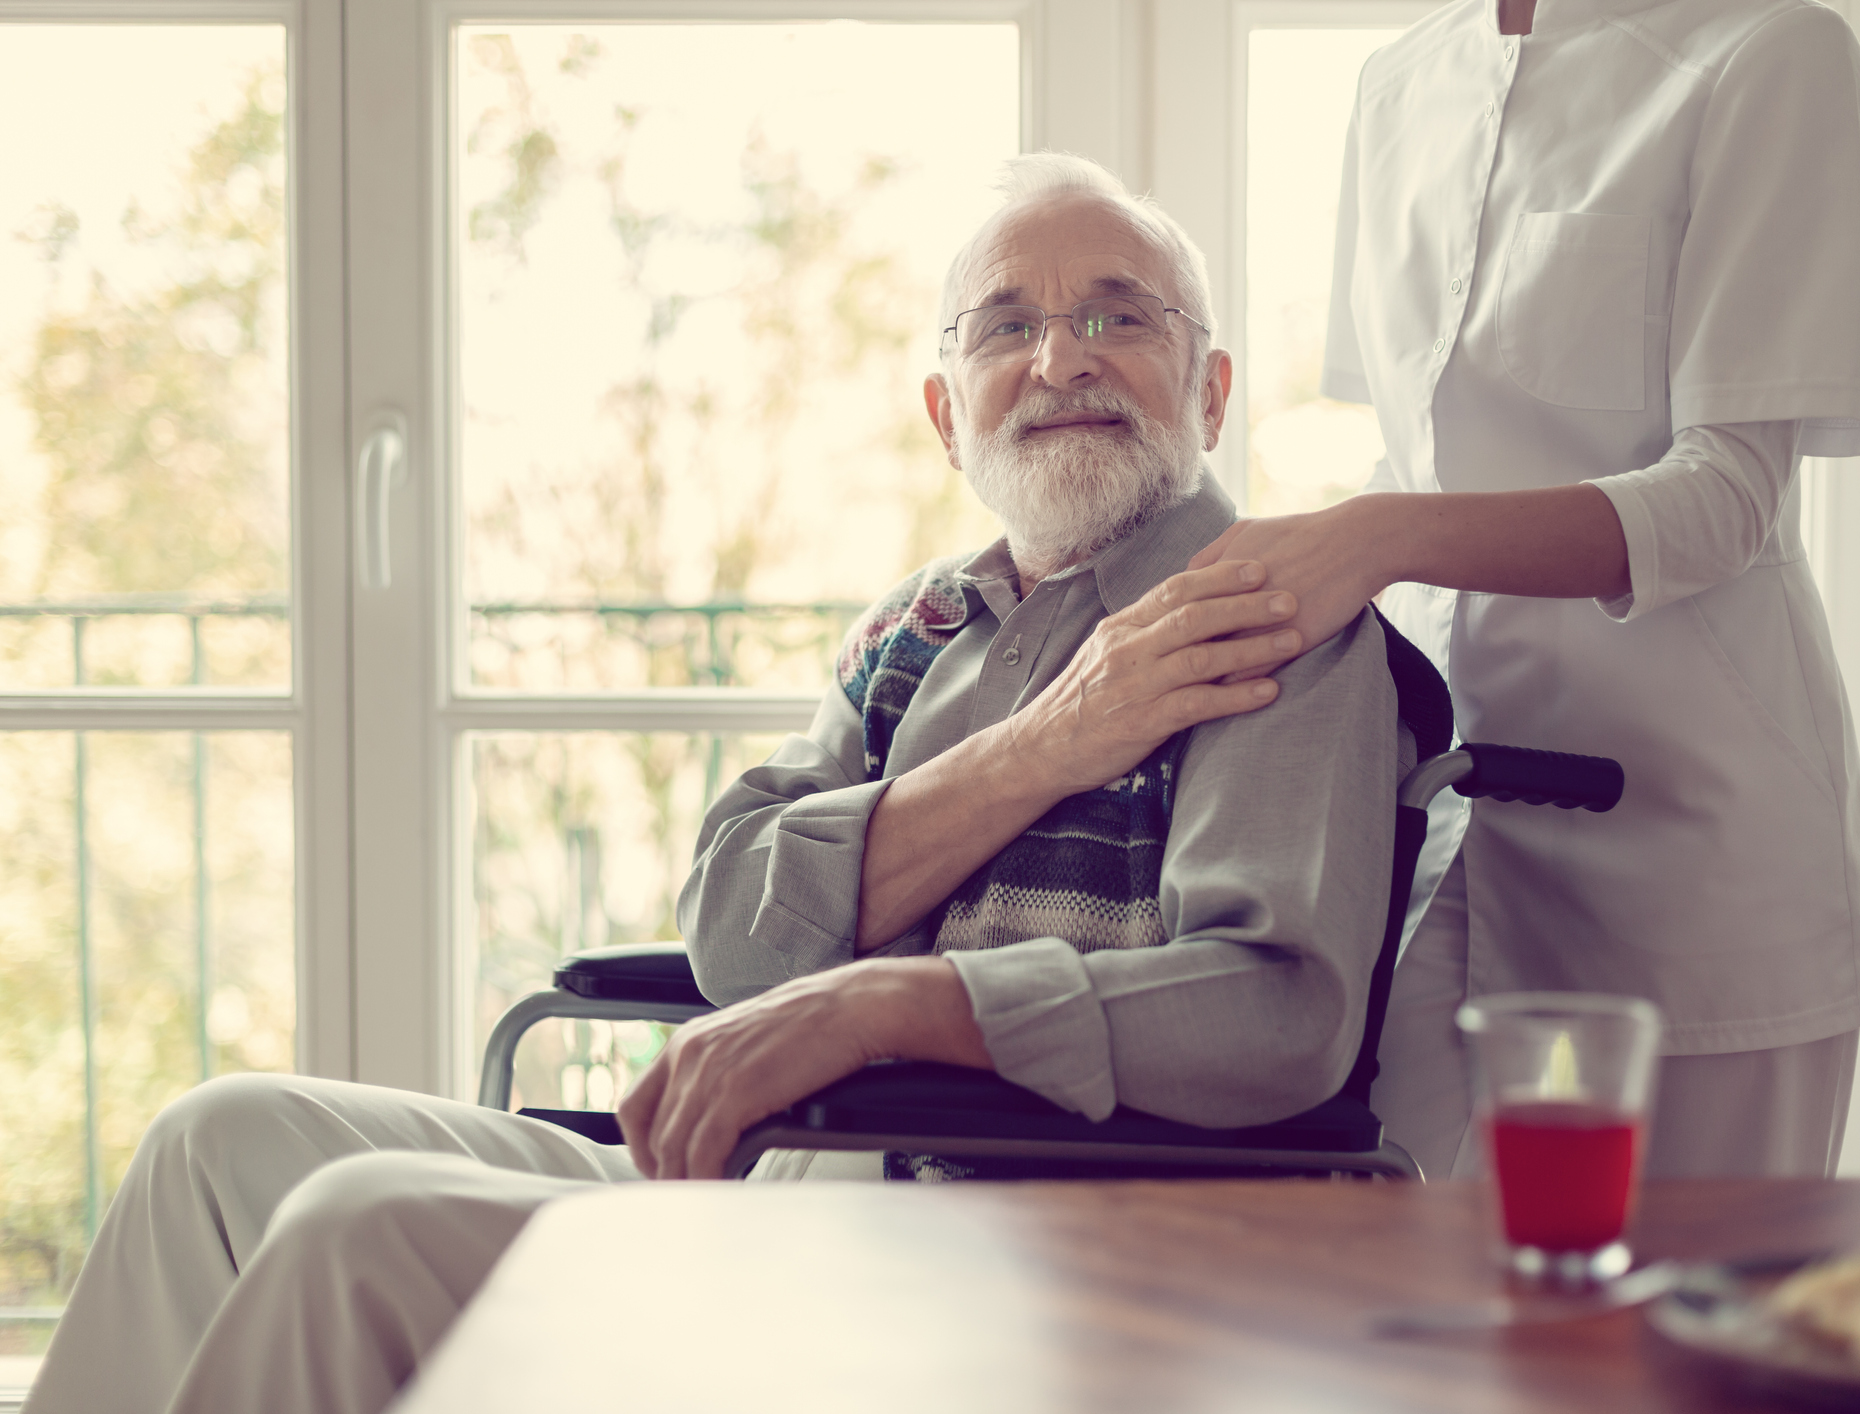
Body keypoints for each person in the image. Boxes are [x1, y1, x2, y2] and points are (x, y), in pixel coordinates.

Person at [25, 153, 1403, 1414]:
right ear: (945, 412)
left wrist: (883, 1004)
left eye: (1119, 316)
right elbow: (738, 929)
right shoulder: (919, 627)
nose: (1058, 360)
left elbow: (1275, 1013)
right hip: (770, 1171)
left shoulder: (1268, 616)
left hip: (989, 1227)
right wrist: (1050, 744)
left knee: (353, 1228)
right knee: (219, 1140)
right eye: (1004, 326)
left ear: (1210, 389)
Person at [1190, 0, 1860, 1179]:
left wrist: (1375, 536)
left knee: (1673, 1339)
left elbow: (1725, 496)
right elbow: (1411, 463)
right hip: (1438, 829)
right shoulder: (1396, 80)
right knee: (1423, 1321)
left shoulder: (1773, 52)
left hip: (1690, 853)